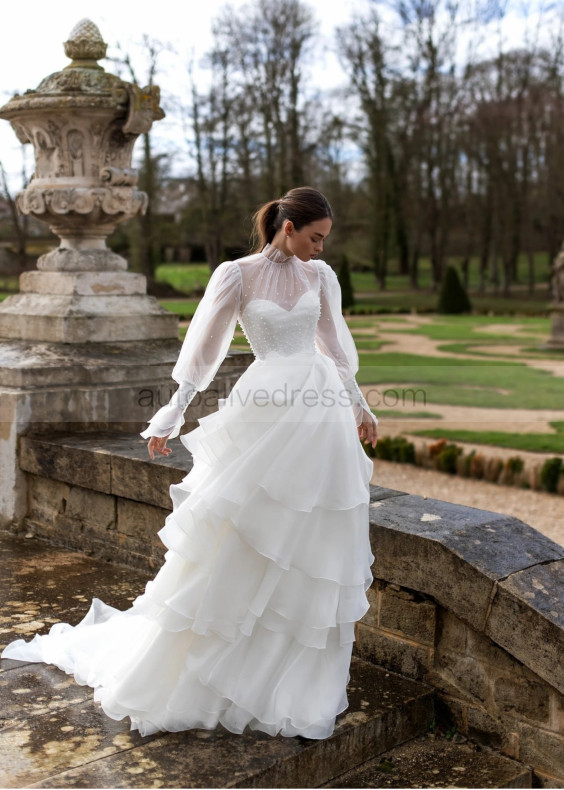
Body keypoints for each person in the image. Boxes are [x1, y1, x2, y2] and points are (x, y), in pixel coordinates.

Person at [1, 186, 378, 740]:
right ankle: (214, 662)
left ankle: (287, 675)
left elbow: (334, 347)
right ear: (288, 227)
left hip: (317, 417)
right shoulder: (237, 274)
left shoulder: (322, 278)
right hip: (266, 409)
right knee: (241, 532)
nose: (321, 250)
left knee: (310, 537)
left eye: (325, 240)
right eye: (315, 237)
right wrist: (172, 413)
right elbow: (206, 348)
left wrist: (361, 405)